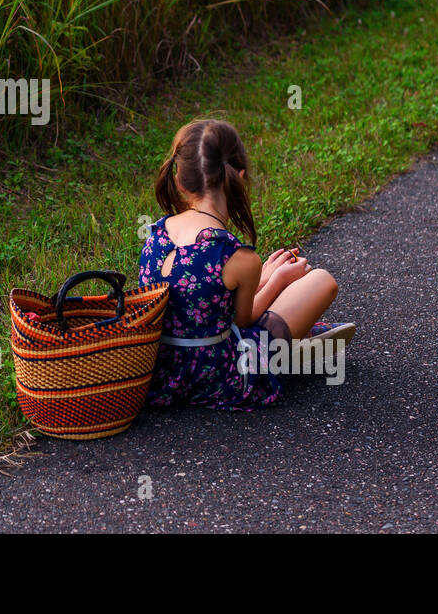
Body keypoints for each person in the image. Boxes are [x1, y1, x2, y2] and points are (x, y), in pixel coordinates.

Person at [138, 118, 352, 407]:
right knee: (322, 281)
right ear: (238, 176)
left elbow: (199, 293)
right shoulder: (236, 255)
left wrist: (262, 275)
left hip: (163, 374)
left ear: (180, 182)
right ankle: (297, 339)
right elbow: (243, 320)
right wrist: (277, 280)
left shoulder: (155, 235)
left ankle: (300, 336)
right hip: (219, 376)